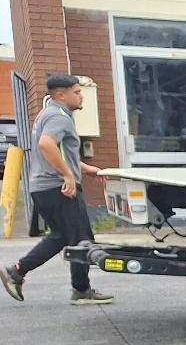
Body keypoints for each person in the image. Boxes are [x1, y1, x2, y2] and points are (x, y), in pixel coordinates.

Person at [1, 74, 114, 305]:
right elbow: (46, 144)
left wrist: (86, 169)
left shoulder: (47, 113)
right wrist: (68, 175)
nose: (82, 95)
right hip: (57, 187)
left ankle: (77, 288)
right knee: (78, 239)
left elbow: (59, 151)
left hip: (46, 187)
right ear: (62, 95)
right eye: (77, 91)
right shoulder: (59, 117)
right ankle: (18, 272)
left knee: (69, 236)